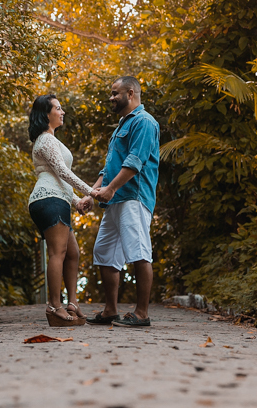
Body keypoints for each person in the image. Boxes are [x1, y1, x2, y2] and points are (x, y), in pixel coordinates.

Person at [77, 76, 160, 328]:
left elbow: (134, 162)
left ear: (131, 93)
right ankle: (110, 310)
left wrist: (111, 190)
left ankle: (142, 313)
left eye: (115, 93)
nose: (111, 98)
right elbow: (108, 169)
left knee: (138, 251)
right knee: (103, 252)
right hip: (115, 199)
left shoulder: (144, 122)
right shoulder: (121, 126)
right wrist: (90, 193)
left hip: (133, 197)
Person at [28, 93, 94, 327]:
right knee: (59, 253)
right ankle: (54, 305)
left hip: (58, 197)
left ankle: (72, 303)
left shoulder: (52, 140)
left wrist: (77, 201)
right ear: (46, 114)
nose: (62, 111)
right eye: (58, 108)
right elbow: (62, 173)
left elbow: (59, 179)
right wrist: (92, 191)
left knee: (73, 253)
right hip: (48, 199)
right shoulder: (45, 139)